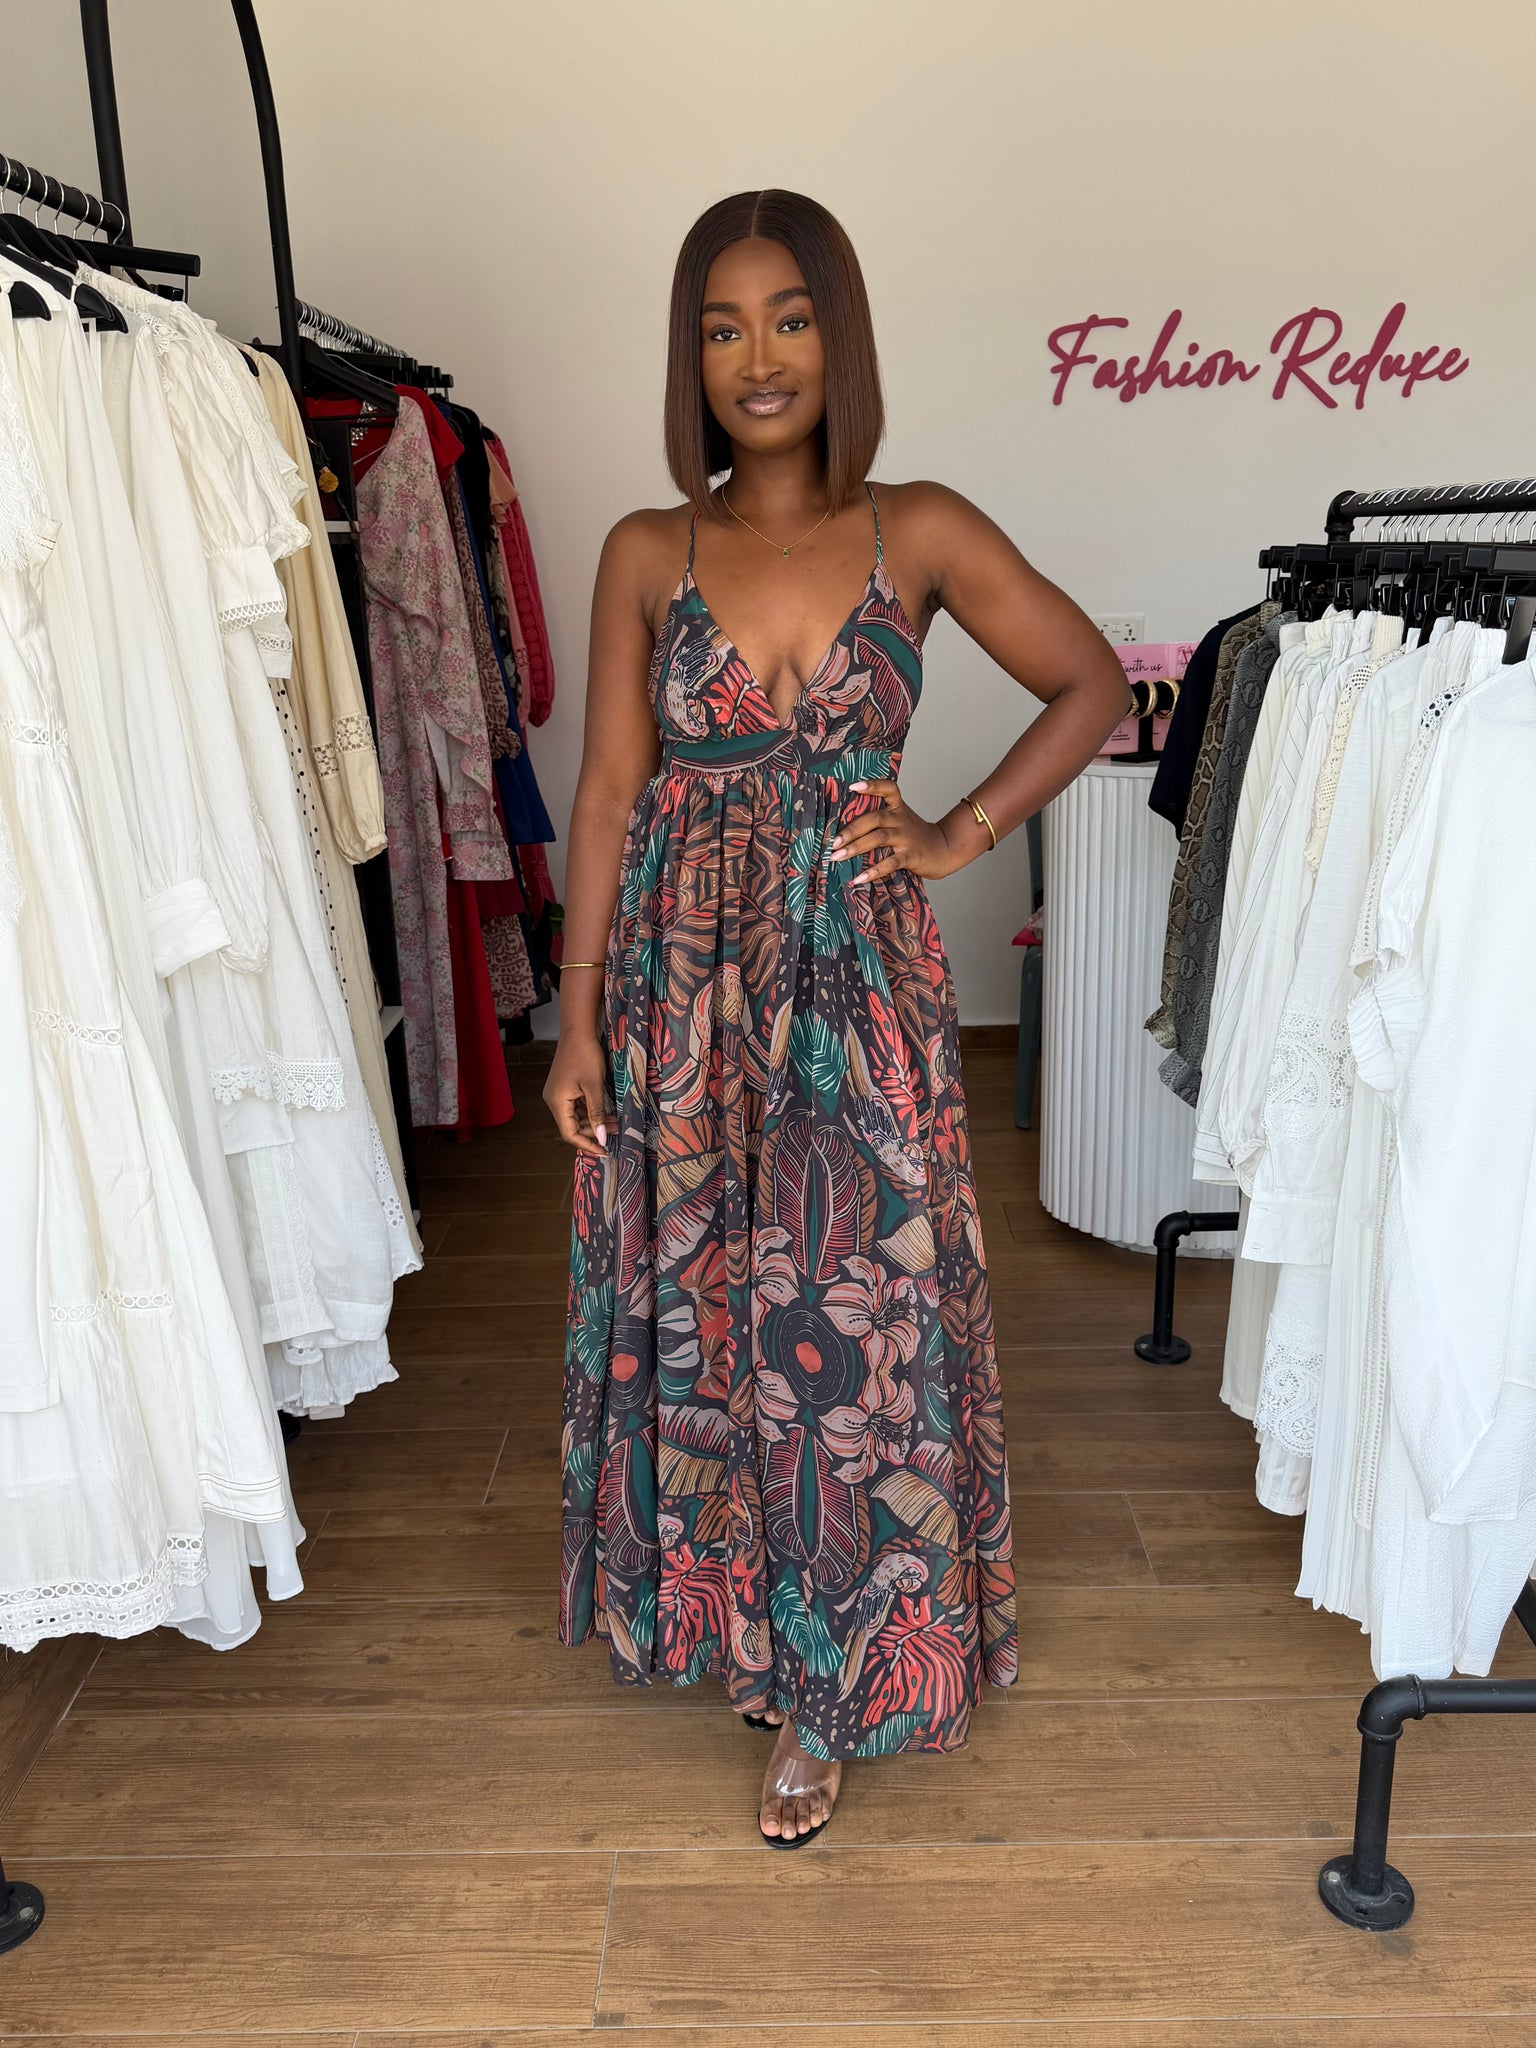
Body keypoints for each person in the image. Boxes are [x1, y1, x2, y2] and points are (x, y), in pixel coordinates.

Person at [547, 189, 1128, 1847]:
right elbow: (608, 795)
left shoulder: (916, 529)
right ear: (692, 357)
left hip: (858, 980)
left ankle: (835, 1683)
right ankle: (745, 1625)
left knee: (852, 1316)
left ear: (840, 337)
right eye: (722, 327)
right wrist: (575, 1023)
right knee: (708, 1304)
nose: (759, 357)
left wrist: (959, 832)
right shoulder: (647, 552)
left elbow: (1091, 680)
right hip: (683, 987)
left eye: (791, 318)